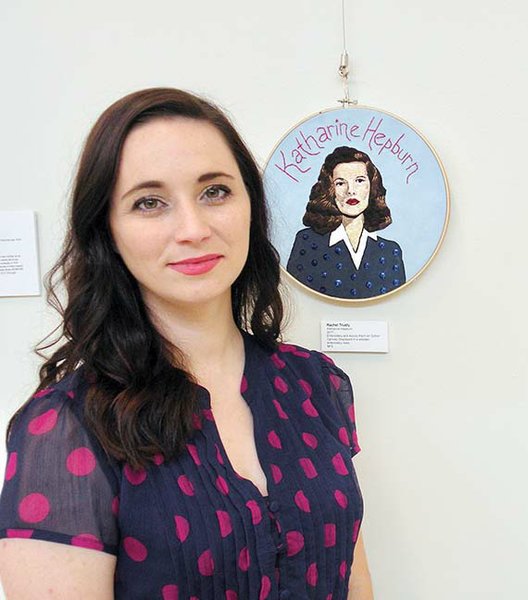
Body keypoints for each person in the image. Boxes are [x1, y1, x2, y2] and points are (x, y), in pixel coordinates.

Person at [0, 88, 373, 600]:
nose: (193, 229)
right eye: (149, 203)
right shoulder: (66, 427)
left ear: (250, 207)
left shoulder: (314, 383)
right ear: (107, 230)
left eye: (215, 191)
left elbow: (354, 579)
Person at [286, 146, 406, 299]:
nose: (351, 190)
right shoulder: (307, 241)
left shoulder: (390, 251)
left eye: (359, 181)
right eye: (340, 183)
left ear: (372, 187)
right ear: (329, 189)